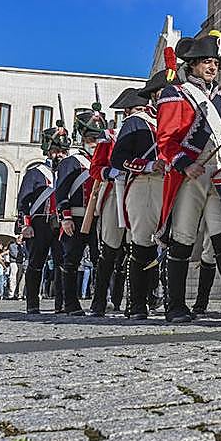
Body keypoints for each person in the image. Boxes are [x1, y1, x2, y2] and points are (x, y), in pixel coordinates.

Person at [156, 33, 221, 323]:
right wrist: (184, 164)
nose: (212, 67)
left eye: (215, 63)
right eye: (207, 62)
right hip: (190, 175)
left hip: (218, 173)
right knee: (183, 237)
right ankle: (175, 305)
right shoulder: (176, 93)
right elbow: (166, 139)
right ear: (193, 64)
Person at [112, 65, 172, 321]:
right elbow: (118, 158)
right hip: (145, 184)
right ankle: (136, 303)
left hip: (170, 185)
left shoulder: (174, 121)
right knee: (142, 245)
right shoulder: (137, 122)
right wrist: (148, 165)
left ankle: (164, 299)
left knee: (171, 245)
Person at [90, 88, 143, 316]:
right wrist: (113, 173)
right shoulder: (110, 135)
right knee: (110, 250)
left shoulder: (148, 130)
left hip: (139, 190)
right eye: (138, 110)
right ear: (127, 112)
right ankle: (99, 301)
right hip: (115, 192)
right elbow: (96, 168)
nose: (143, 114)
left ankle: (134, 301)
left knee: (137, 248)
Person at [55, 102, 111, 316]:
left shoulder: (103, 161)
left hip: (98, 218)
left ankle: (100, 302)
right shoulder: (72, 162)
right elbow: (61, 192)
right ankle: (71, 304)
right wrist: (65, 217)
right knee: (71, 262)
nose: (94, 143)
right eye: (90, 139)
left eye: (97, 139)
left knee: (101, 261)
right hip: (77, 218)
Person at [17, 113, 70, 314]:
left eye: (63, 151)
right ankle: (32, 303)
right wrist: (26, 225)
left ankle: (61, 304)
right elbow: (23, 201)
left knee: (62, 263)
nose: (60, 155)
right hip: (40, 223)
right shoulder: (36, 172)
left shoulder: (67, 171)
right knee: (36, 263)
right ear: (48, 151)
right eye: (56, 150)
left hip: (61, 222)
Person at [7, 236, 25, 300]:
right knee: (13, 278)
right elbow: (14, 254)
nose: (20, 240)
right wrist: (22, 255)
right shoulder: (12, 246)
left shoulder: (23, 246)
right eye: (19, 238)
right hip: (14, 263)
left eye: (21, 239)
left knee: (19, 279)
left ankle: (17, 293)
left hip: (20, 263)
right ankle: (11, 294)